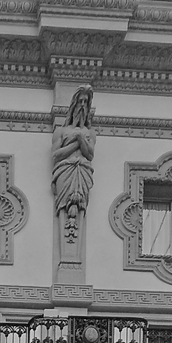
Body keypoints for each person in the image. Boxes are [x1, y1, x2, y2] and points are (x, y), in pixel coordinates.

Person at [51, 85, 96, 233]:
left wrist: (80, 139)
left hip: (82, 171)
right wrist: (78, 141)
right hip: (66, 170)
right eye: (80, 102)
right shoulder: (62, 131)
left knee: (79, 205)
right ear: (73, 105)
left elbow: (90, 155)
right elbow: (56, 155)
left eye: (85, 102)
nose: (82, 106)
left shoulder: (89, 132)